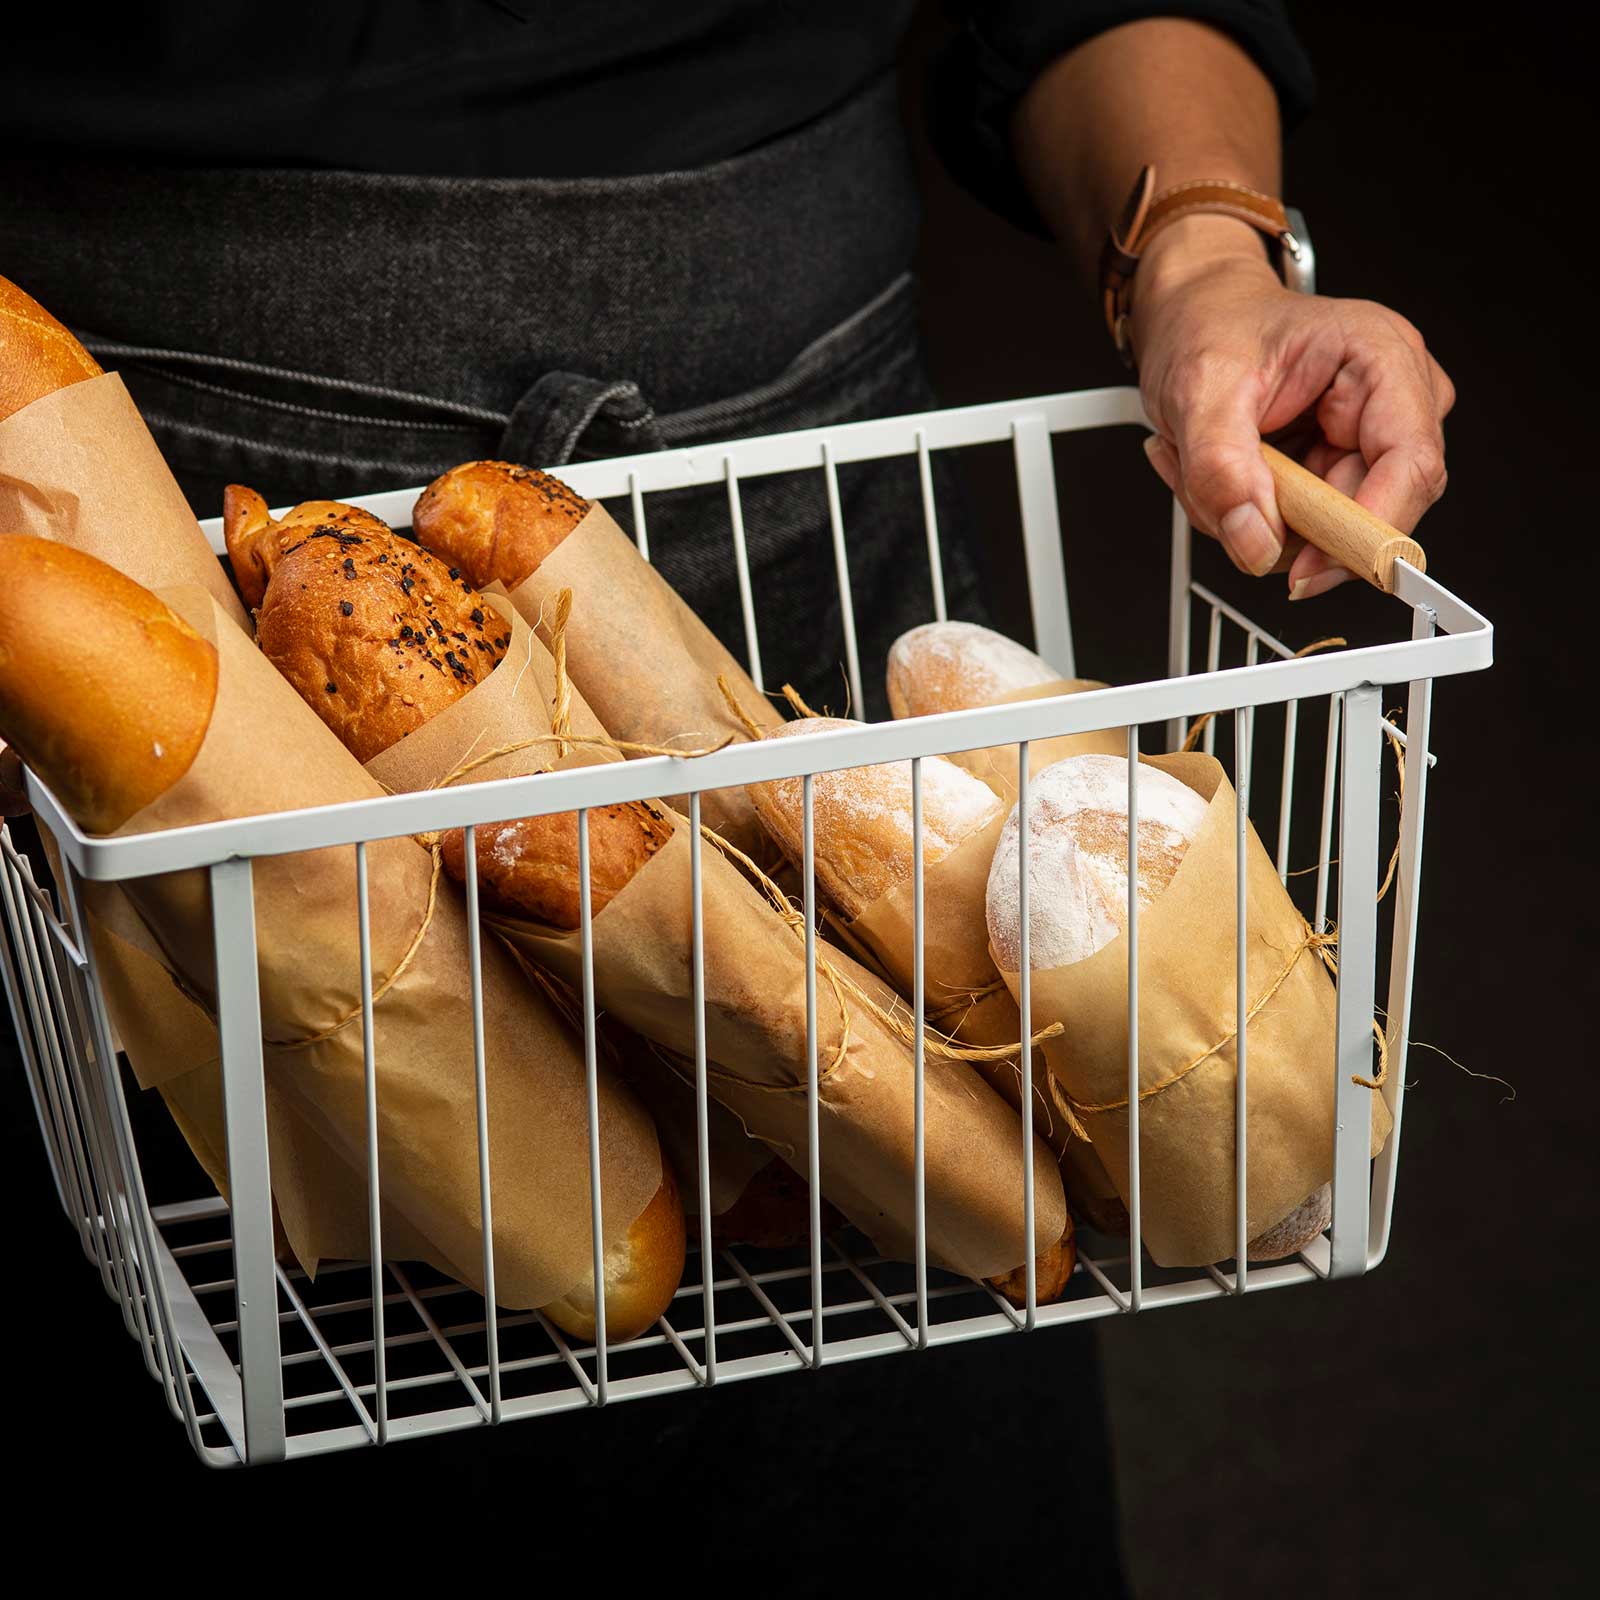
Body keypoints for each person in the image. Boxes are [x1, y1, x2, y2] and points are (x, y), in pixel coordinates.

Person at [0, 3, 1452, 1583]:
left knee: (906, 1421)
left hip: (811, 476)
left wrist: (1202, 254)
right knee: (279, 1333)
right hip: (153, 511)